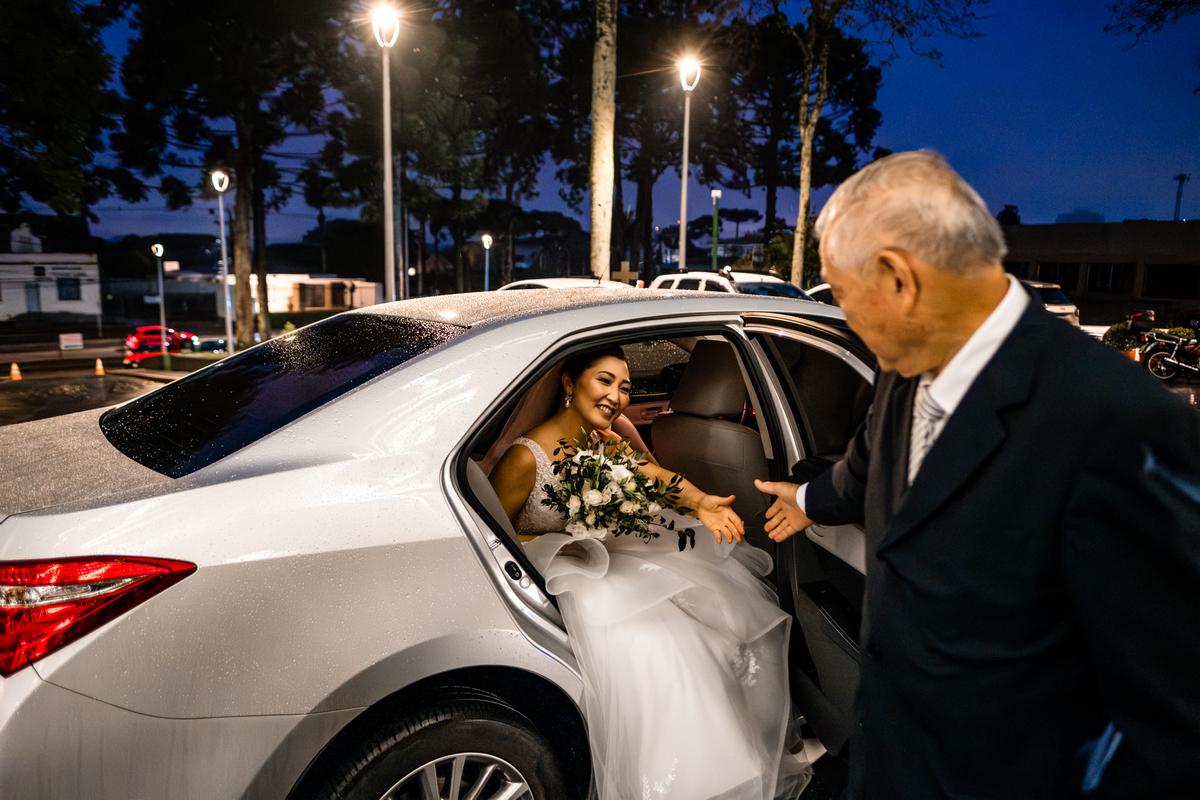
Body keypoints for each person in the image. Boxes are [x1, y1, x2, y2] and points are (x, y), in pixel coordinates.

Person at [755, 150, 1200, 798]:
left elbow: (1173, 722)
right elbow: (871, 464)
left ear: (898, 279)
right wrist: (806, 498)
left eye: (845, 298)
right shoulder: (909, 365)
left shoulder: (1115, 422)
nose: (846, 318)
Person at [489, 346, 810, 800]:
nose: (616, 397)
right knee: (657, 648)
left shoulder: (607, 442)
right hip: (556, 574)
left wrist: (701, 503)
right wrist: (569, 534)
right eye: (604, 381)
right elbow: (492, 539)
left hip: (611, 560)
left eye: (625, 387)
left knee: (719, 623)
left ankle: (723, 771)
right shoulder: (526, 458)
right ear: (568, 383)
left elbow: (658, 478)